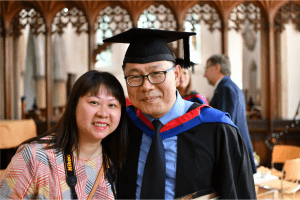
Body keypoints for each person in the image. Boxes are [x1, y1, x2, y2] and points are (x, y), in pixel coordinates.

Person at [104, 28, 256, 199]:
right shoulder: (120, 127)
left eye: (157, 74)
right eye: (134, 77)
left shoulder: (218, 129)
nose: (146, 86)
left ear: (176, 75)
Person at [0, 70, 127, 199]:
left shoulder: (117, 160)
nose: (103, 113)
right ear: (73, 106)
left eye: (112, 105)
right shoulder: (35, 157)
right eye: (94, 102)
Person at [204, 54, 257, 173]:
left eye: (206, 69)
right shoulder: (230, 87)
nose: (205, 74)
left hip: (233, 155)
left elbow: (224, 126)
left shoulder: (225, 88)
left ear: (217, 67)